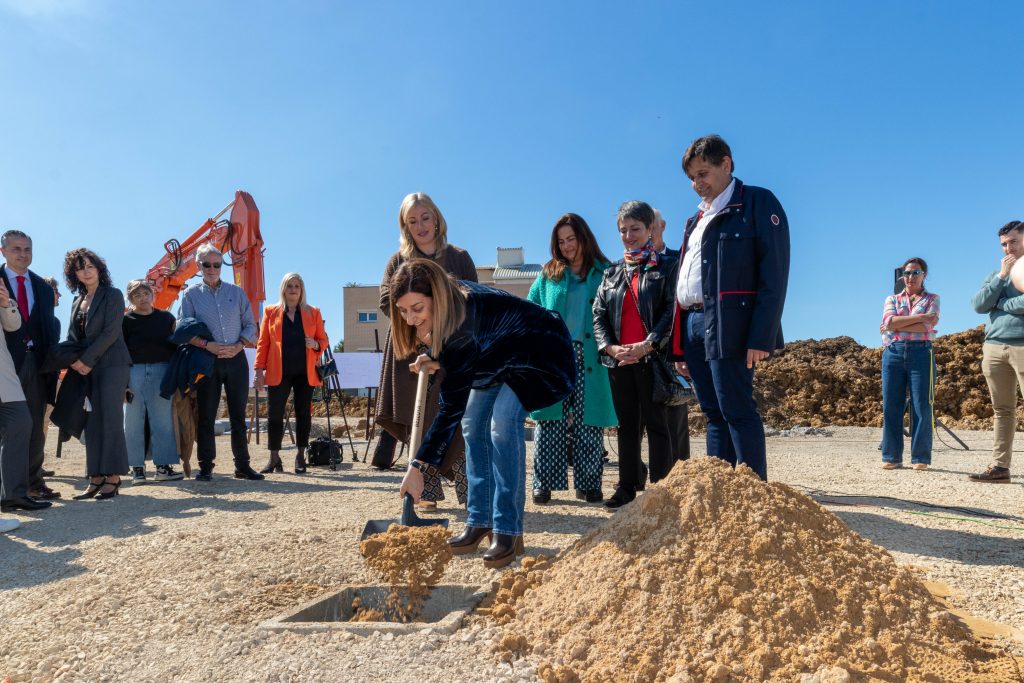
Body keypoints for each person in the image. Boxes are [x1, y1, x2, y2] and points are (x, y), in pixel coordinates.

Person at [394, 259, 574, 569]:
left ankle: (507, 531)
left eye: (417, 308)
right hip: (498, 357)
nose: (410, 319)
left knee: (502, 423)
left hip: (540, 354)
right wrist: (435, 357)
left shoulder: (464, 316)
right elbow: (467, 346)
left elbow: (450, 404)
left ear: (436, 296)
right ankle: (480, 521)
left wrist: (418, 466)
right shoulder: (450, 309)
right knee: (472, 425)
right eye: (403, 310)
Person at [669, 135, 790, 482]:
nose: (697, 184)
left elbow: (775, 274)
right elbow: (685, 279)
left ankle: (753, 497)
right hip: (693, 324)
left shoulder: (756, 203)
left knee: (736, 409)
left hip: (730, 324)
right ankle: (719, 496)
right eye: (692, 177)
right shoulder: (695, 221)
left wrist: (761, 335)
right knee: (712, 413)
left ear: (726, 164)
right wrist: (679, 343)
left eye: (703, 173)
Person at [376, 192, 476, 508]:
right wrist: (416, 328)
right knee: (420, 419)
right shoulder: (397, 261)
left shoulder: (459, 257)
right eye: (412, 221)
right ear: (405, 226)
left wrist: (439, 334)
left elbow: (473, 300)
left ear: (436, 218)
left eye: (425, 217)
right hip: (409, 350)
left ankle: (469, 490)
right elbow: (385, 300)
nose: (420, 226)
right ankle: (426, 492)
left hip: (450, 347)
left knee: (452, 415)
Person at [593, 201, 678, 509]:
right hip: (619, 361)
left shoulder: (667, 267)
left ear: (649, 229)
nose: (629, 235)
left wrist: (648, 344)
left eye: (635, 229)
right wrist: (611, 348)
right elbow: (599, 314)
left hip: (651, 358)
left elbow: (671, 311)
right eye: (623, 230)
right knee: (626, 426)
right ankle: (627, 486)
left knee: (657, 424)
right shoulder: (612, 272)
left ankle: (661, 488)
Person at [527, 213, 616, 504]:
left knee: (588, 422)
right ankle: (544, 483)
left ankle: (589, 484)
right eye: (561, 241)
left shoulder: (605, 271)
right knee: (550, 420)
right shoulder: (548, 274)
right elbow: (531, 312)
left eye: (571, 239)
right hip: (556, 356)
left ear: (584, 238)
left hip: (591, 355)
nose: (566, 246)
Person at [179, 244, 263, 481]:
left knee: (238, 415)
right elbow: (184, 329)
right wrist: (208, 346)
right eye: (207, 264)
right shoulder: (190, 296)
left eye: (217, 264)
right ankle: (206, 466)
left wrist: (239, 345)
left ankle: (242, 466)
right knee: (206, 416)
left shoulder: (236, 293)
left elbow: (250, 324)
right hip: (207, 361)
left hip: (236, 360)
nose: (212, 269)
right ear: (199, 266)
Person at [63, 249, 132, 501]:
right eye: (80, 268)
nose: (86, 271)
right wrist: (72, 360)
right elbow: (73, 336)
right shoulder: (76, 301)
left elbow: (111, 332)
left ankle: (113, 477)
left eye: (90, 265)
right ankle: (95, 477)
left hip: (112, 365)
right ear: (74, 274)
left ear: (99, 268)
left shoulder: (112, 295)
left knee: (110, 419)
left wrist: (86, 361)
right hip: (84, 366)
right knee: (90, 422)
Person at [0, 230, 60, 501]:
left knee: (35, 424)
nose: (22, 254)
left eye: (27, 249)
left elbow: (47, 326)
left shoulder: (43, 287)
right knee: (9, 424)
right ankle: (8, 489)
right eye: (16, 249)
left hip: (36, 363)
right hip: (5, 363)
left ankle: (33, 483)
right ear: (3, 251)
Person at [254, 272, 329, 474]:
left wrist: (315, 344)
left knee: (303, 414)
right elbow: (263, 344)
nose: (293, 290)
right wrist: (258, 370)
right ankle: (274, 458)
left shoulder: (313, 312)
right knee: (274, 415)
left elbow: (323, 341)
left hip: (305, 374)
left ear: (302, 290)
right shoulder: (271, 312)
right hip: (279, 372)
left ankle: (300, 456)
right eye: (289, 286)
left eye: (297, 286)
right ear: (283, 289)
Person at [969, 220, 1024, 483]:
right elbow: (979, 305)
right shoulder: (996, 274)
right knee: (1002, 409)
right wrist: (1002, 278)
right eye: (1003, 244)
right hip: (993, 348)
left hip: (1022, 345)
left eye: (1013, 241)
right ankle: (1001, 468)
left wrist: (1002, 303)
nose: (1008, 248)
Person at [879, 258, 939, 470]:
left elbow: (929, 327)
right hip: (894, 353)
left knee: (922, 405)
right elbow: (889, 322)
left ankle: (920, 457)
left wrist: (897, 324)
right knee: (891, 405)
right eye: (907, 273)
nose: (910, 277)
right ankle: (891, 456)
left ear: (924, 275)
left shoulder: (933, 298)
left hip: (921, 352)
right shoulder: (892, 298)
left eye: (915, 272)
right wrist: (920, 319)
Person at [123, 279, 183, 484]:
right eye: (136, 295)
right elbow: (120, 352)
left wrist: (175, 377)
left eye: (145, 293)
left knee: (162, 419)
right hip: (134, 372)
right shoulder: (125, 321)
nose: (142, 298)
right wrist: (123, 384)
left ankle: (163, 467)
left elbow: (176, 347)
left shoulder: (167, 318)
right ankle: (137, 469)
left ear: (153, 294)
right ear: (131, 299)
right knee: (132, 421)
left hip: (162, 371)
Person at [0, 278, 52, 513]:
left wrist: (6, 303)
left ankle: (13, 495)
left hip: (5, 376)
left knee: (22, 422)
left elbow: (13, 325)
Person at [650, 208, 690, 464]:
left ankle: (681, 475)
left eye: (650, 225)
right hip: (639, 353)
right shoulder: (623, 268)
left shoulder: (681, 260)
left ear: (662, 225)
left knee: (676, 415)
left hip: (670, 352)